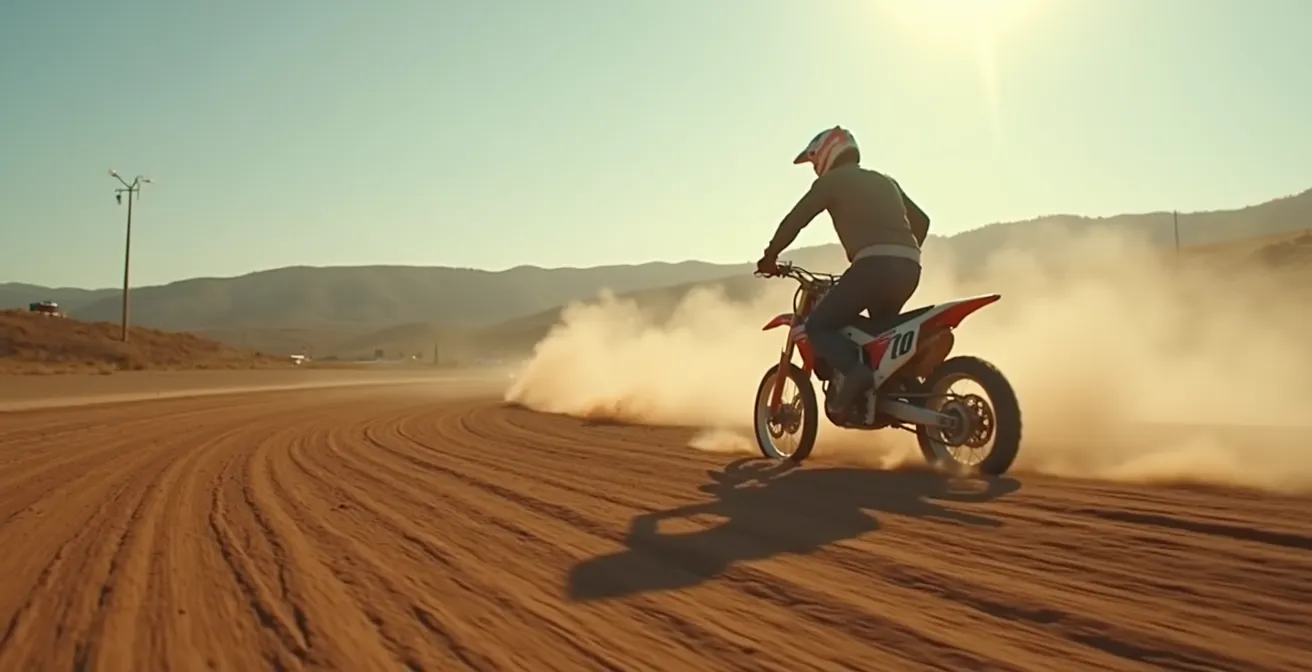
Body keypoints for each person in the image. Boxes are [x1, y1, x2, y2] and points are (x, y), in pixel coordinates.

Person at [756, 126, 929, 416]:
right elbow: (922, 222)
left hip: (872, 268)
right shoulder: (886, 181)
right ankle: (891, 393)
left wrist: (770, 256)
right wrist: (900, 250)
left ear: (825, 153)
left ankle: (854, 372)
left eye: (813, 161)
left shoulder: (831, 182)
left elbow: (795, 220)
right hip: (910, 268)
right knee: (879, 337)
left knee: (817, 326)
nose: (814, 169)